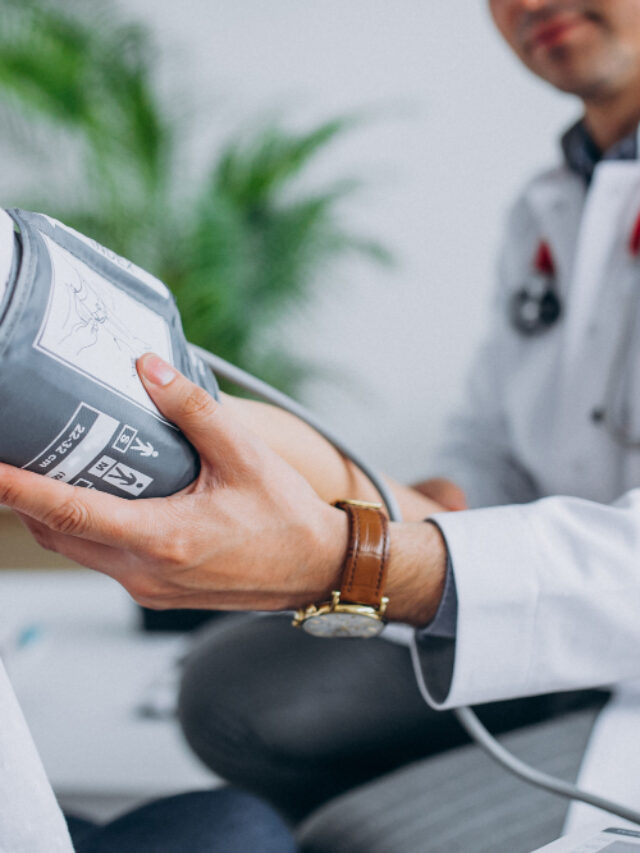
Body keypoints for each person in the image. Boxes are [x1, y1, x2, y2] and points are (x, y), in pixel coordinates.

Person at [4, 0, 640, 841]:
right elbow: (488, 445)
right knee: (232, 697)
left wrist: (353, 560)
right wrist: (325, 480)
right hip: (548, 599)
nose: (530, 4)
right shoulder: (549, 204)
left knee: (354, 838)